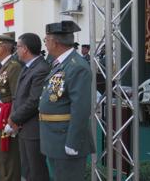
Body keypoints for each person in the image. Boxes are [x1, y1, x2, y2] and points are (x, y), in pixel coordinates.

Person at [39, 21, 95, 181]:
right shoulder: (60, 63)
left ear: (55, 42)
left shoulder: (76, 66)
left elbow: (81, 109)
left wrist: (73, 141)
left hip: (66, 139)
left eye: (46, 40)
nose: (46, 44)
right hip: (55, 137)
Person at [8, 33, 50, 181]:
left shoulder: (41, 69)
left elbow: (34, 101)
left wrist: (14, 117)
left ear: (25, 49)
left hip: (34, 128)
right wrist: (14, 117)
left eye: (18, 47)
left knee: (36, 170)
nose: (16, 50)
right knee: (28, 169)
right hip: (23, 126)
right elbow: (18, 96)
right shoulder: (27, 67)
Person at [0, 35, 22, 181]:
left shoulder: (14, 67)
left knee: (10, 156)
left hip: (7, 117)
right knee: (3, 155)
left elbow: (16, 97)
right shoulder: (2, 66)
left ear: (4, 48)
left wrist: (12, 120)